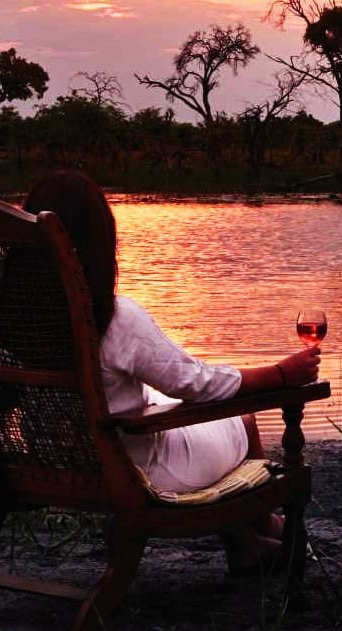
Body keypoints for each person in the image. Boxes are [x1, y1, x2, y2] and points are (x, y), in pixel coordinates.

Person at [20, 170, 321, 563]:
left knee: (170, 404)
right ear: (97, 244)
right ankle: (262, 526)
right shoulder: (112, 318)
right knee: (242, 422)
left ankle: (249, 538)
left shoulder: (13, 321)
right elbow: (195, 384)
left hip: (54, 463)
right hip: (136, 472)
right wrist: (281, 375)